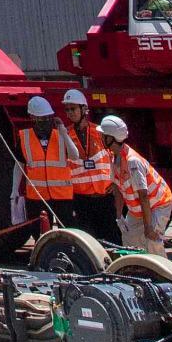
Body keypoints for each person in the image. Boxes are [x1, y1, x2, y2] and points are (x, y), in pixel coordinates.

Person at [97, 114, 172, 254]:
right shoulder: (114, 158)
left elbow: (143, 196)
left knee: (152, 241)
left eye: (103, 136)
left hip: (158, 205)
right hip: (139, 209)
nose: (101, 138)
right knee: (129, 240)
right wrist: (119, 217)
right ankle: (138, 269)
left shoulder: (133, 162)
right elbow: (117, 189)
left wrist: (148, 227)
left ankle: (162, 274)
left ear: (111, 138)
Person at [15, 96, 83, 230]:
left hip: (62, 196)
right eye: (41, 118)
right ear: (32, 118)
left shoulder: (60, 135)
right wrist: (14, 191)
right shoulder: (24, 137)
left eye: (47, 118)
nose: (45, 122)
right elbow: (19, 166)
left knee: (68, 232)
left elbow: (75, 156)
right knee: (39, 233)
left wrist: (63, 132)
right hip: (37, 197)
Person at [61, 89, 117, 239]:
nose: (70, 113)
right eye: (67, 110)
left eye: (73, 109)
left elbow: (115, 157)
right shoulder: (65, 135)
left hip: (104, 197)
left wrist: (116, 180)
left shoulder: (100, 132)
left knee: (112, 238)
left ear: (84, 109)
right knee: (89, 243)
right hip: (81, 199)